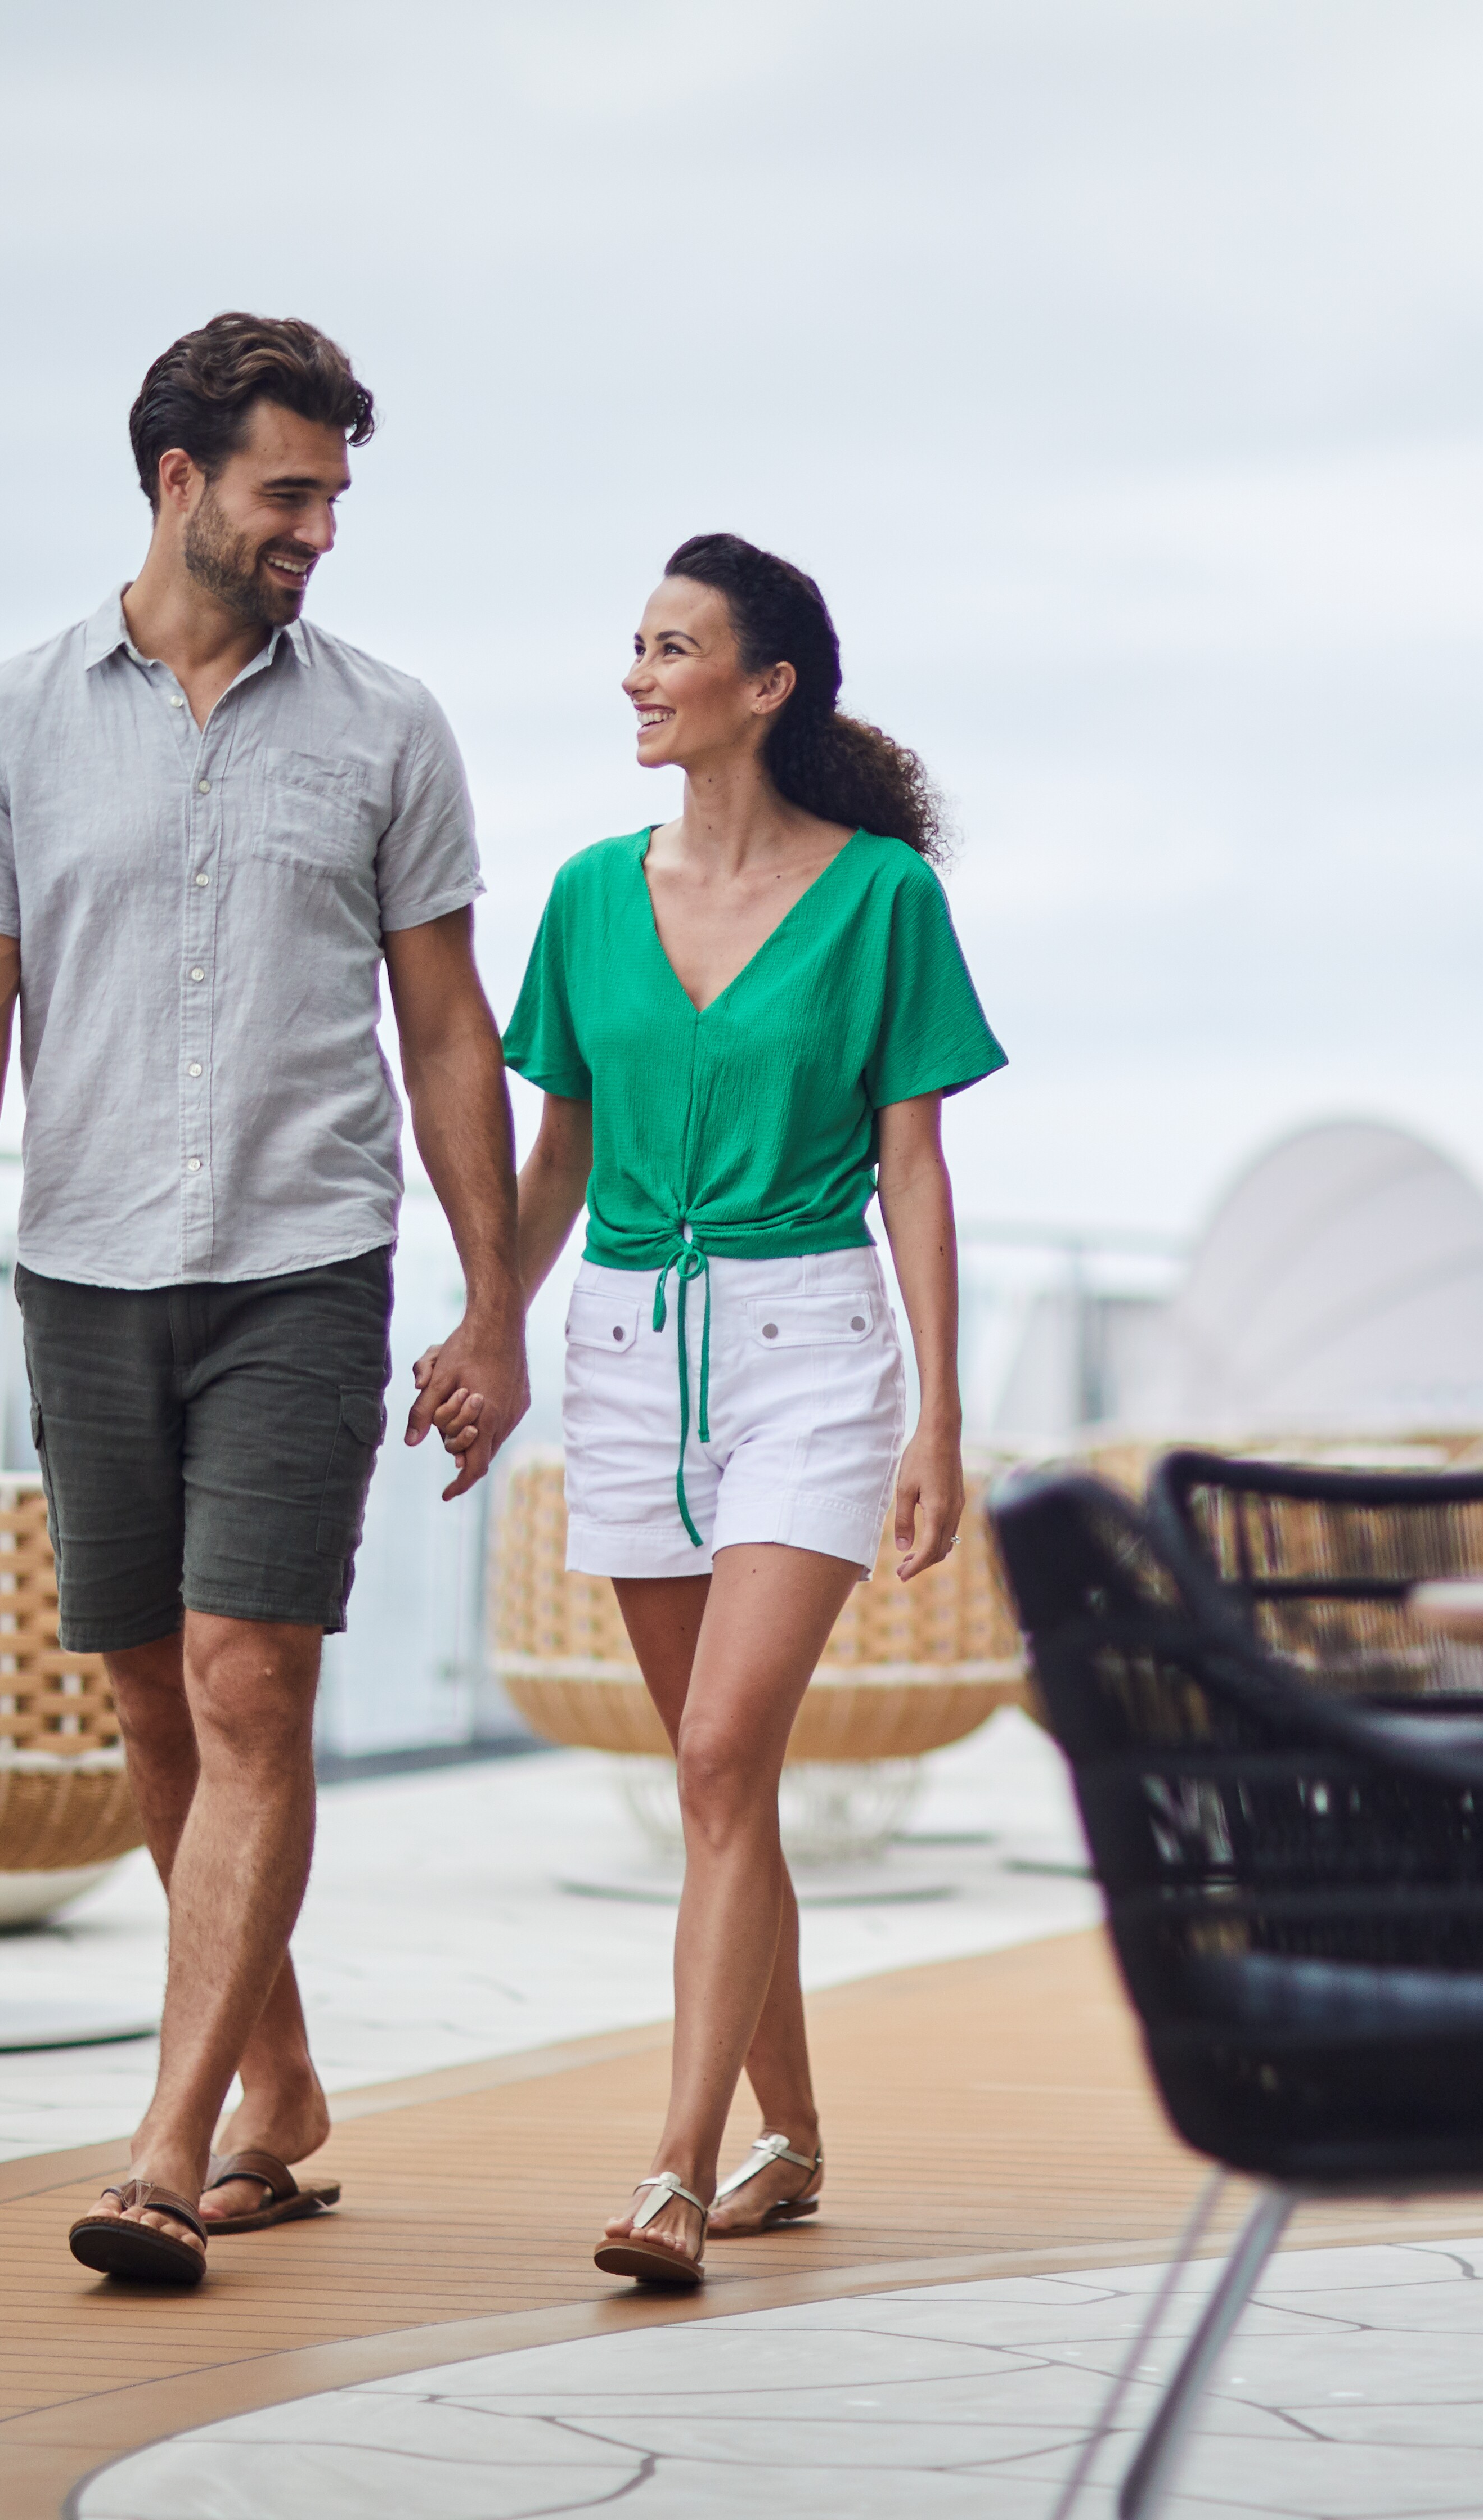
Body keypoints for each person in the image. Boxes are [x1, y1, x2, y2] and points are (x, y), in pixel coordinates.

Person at [0, 313, 523, 2288]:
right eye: (290, 491)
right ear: (180, 482)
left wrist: (490, 1301)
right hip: (82, 1266)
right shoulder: (8, 719)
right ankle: (285, 2095)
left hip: (301, 1267)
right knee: (154, 1699)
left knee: (252, 1685)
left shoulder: (389, 727)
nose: (320, 528)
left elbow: (441, 1031)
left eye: (335, 493)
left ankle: (167, 2145)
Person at [482, 532, 1003, 2287]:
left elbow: (918, 1175)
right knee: (727, 1788)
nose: (638, 675)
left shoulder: (882, 902)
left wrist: (939, 1421)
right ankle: (790, 2133)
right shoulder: (581, 897)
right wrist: (490, 1326)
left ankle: (674, 2172)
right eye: (633, 643)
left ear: (766, 687)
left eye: (673, 647)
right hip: (627, 1351)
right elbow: (558, 1154)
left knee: (718, 1757)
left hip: (811, 1350)